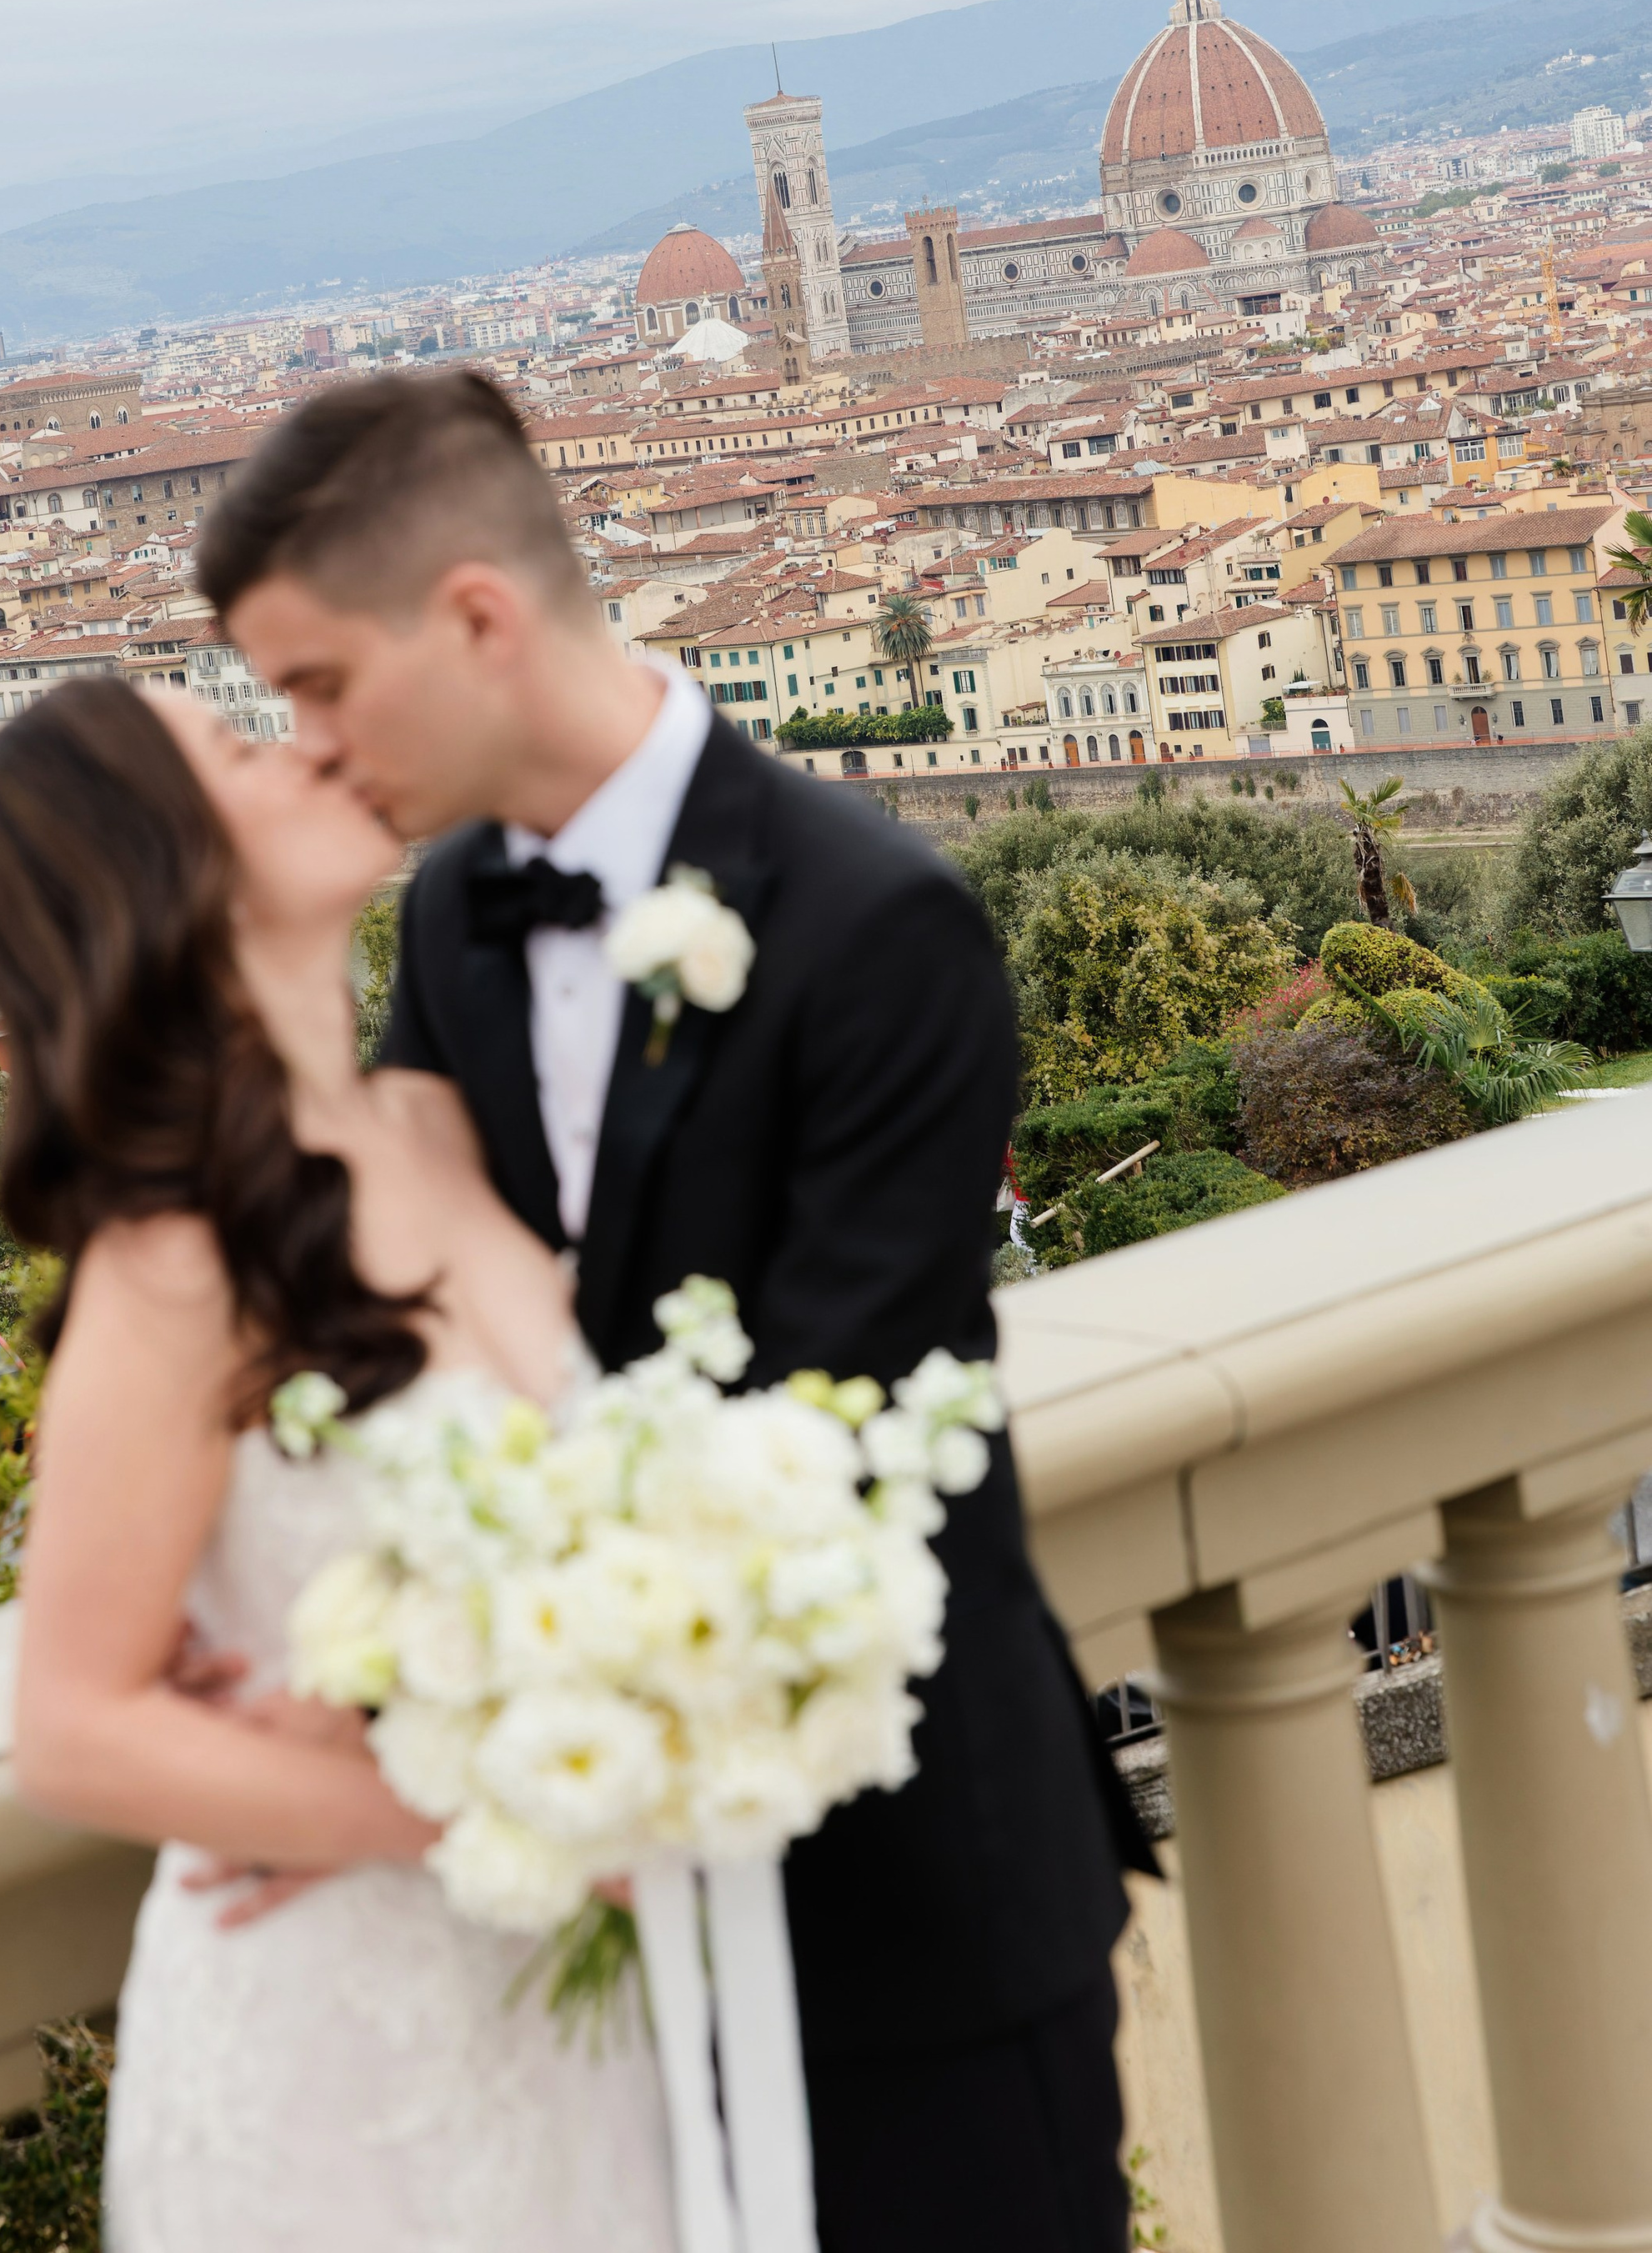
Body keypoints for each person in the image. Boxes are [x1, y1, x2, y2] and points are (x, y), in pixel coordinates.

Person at [201, 369, 1153, 2253]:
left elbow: (829, 1420)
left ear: (473, 615)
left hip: (910, 1898)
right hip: (585, 1910)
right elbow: (418, 1328)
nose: (298, 743)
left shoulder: (880, 924)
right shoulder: (461, 910)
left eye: (313, 683)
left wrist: (403, 1709)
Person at [0, 676, 675, 2253]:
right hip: (340, 2073)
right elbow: (74, 1729)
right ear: (166, 868)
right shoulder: (172, 1261)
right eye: (237, 749)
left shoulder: (432, 1126)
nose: (303, 745)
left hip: (584, 2030)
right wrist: (476, 1800)